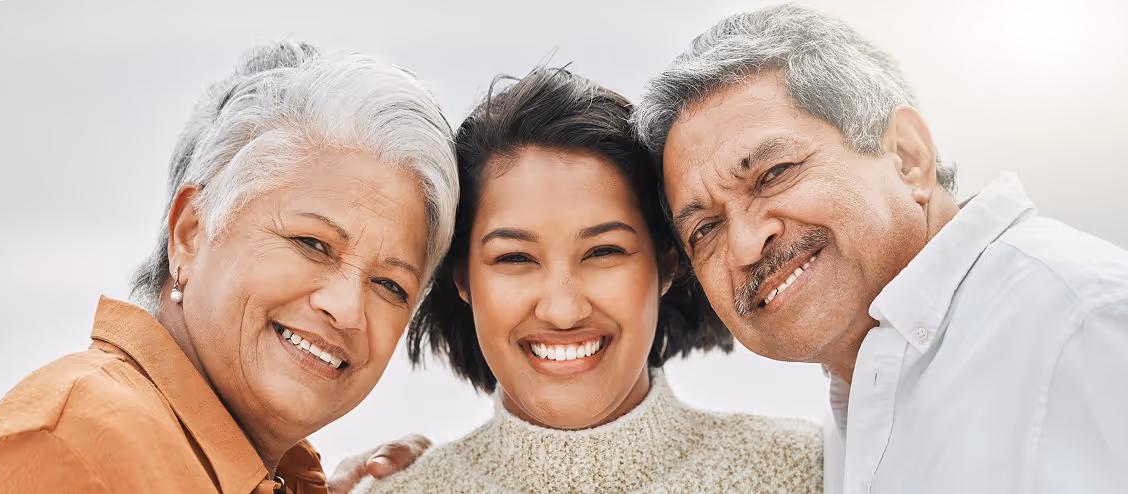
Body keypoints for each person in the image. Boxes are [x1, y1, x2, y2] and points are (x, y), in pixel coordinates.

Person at [630, 3, 1128, 493]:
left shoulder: (1089, 326)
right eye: (705, 229)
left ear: (907, 157)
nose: (748, 243)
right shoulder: (863, 395)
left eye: (774, 172)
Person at [0, 40, 459, 493]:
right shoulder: (72, 450)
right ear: (191, 231)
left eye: (390, 285)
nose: (347, 309)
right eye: (312, 243)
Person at [348, 67, 823, 493]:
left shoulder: (815, 473)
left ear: (668, 262)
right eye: (515, 257)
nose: (563, 310)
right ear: (462, 278)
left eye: (603, 252)